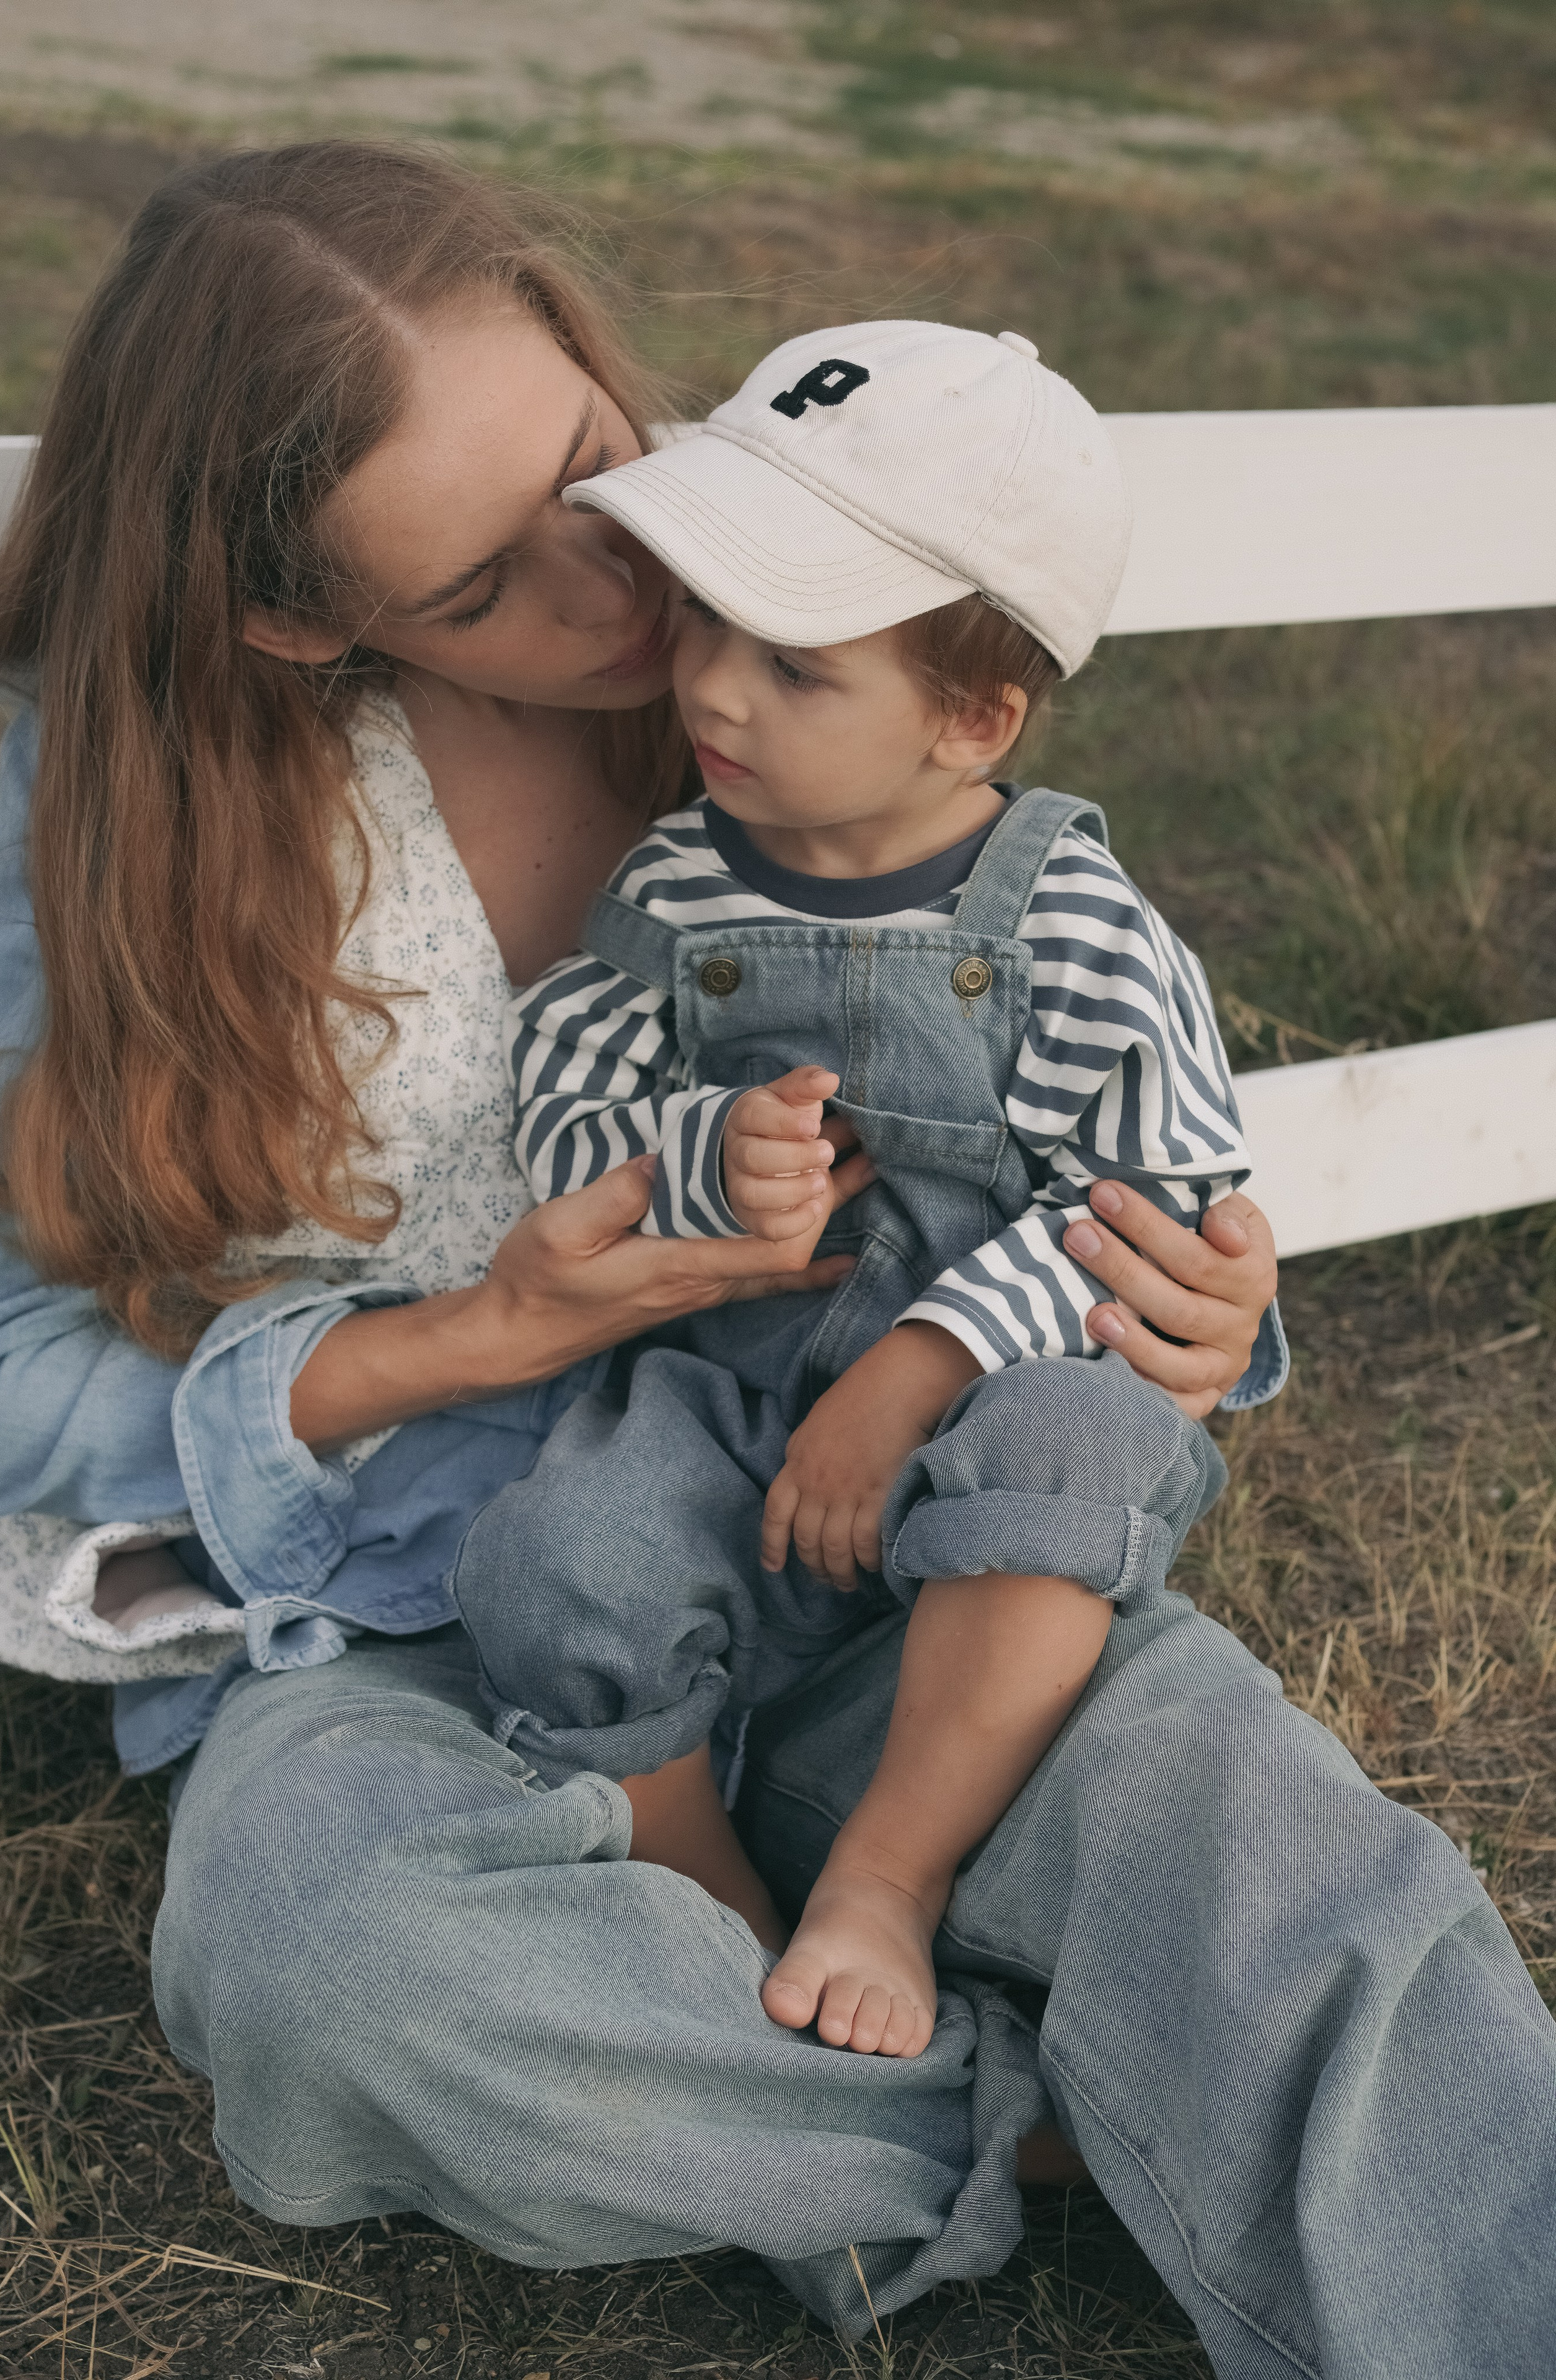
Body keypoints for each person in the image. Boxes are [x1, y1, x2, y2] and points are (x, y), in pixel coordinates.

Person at [0, 143, 1549, 2380]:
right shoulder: (126, 825)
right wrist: (452, 1342)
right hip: (413, 1615)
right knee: (325, 1962)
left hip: (860, 1500)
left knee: (1276, 1863)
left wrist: (1203, 1313)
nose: (620, 597)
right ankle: (1027, 2119)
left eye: (598, 470)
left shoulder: (823, 614)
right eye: (489, 582)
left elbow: (1071, 1092)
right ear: (311, 622)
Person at [462, 320, 1247, 2061]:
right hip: (733, 1379)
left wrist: (928, 1362)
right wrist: (690, 1161)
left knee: (1079, 1456)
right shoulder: (674, 879)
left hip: (982, 1396)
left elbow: (1155, 1188)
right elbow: (569, 1075)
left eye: (797, 667)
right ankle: (710, 1884)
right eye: (713, 627)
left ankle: (887, 1873)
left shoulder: (1068, 923)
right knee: (554, 1556)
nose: (718, 692)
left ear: (974, 716)